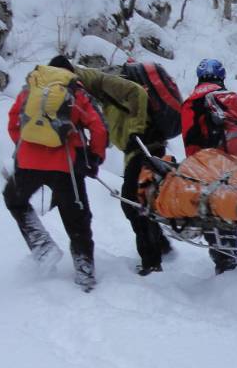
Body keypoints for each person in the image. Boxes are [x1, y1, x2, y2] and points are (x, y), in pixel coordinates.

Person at [5, 55, 107, 292]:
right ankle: (84, 271)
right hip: (66, 166)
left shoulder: (31, 89)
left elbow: (13, 123)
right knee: (77, 219)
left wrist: (26, 148)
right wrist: (94, 157)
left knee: (14, 200)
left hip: (28, 164)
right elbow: (99, 128)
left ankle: (42, 245)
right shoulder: (76, 93)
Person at [73, 61, 172, 275]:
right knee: (142, 200)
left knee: (132, 202)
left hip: (143, 148)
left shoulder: (104, 83)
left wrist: (135, 131)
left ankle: (151, 261)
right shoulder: (100, 90)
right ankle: (161, 247)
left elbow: (137, 93)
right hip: (144, 147)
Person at [181, 58, 237, 274]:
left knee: (217, 213)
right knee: (233, 207)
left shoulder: (192, 103)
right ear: (222, 77)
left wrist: (196, 169)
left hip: (213, 167)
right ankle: (231, 265)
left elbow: (190, 141)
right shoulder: (232, 100)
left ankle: (226, 267)